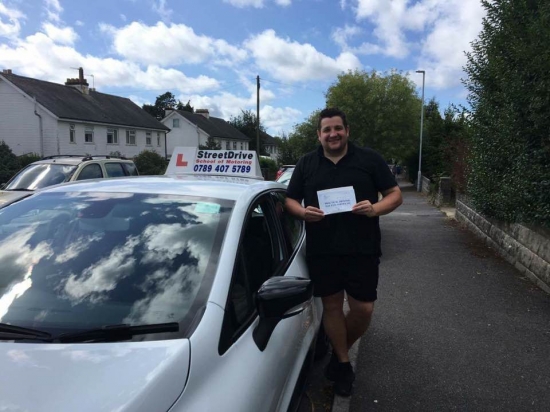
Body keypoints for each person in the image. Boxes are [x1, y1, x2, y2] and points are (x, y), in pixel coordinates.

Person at [285, 108, 402, 397]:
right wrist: (303, 213)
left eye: (338, 128)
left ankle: (338, 356)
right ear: (319, 135)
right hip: (323, 250)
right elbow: (289, 200)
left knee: (363, 309)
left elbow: (395, 195)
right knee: (334, 308)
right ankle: (343, 365)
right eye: (327, 130)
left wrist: (374, 209)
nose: (333, 134)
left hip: (362, 249)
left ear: (347, 131)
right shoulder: (306, 164)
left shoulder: (369, 160)